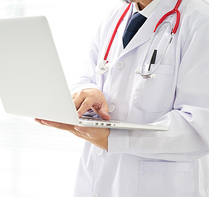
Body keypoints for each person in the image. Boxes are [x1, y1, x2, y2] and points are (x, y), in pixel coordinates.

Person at [35, 0, 209, 196]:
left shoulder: (200, 20)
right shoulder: (114, 16)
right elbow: (86, 77)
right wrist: (89, 91)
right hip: (97, 178)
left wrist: (115, 139)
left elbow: (198, 127)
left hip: (161, 187)